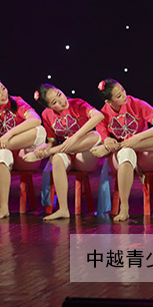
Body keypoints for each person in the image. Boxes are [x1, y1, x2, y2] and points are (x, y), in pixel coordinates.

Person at [91, 79, 153, 222]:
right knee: (126, 152)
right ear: (108, 102)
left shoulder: (136, 104)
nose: (124, 95)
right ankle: (124, 208)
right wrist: (107, 141)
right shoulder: (103, 114)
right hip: (122, 158)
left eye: (123, 90)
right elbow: (103, 136)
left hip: (143, 153)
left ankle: (125, 145)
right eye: (118, 96)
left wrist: (136, 139)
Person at [0, 77, 46, 220]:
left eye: (3, 89)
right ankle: (4, 207)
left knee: (39, 130)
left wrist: (8, 135)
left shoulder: (16, 101)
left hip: (25, 156)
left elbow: (35, 119)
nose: (4, 94)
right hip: (8, 156)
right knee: (2, 154)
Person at [26, 83, 103, 221]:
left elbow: (98, 116)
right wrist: (44, 147)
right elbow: (52, 141)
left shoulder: (77, 104)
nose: (61, 101)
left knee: (95, 136)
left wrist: (74, 137)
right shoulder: (46, 115)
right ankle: (63, 209)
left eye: (59, 94)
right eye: (54, 102)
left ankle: (52, 152)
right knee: (57, 159)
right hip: (68, 155)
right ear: (49, 107)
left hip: (84, 157)